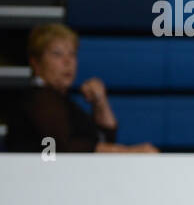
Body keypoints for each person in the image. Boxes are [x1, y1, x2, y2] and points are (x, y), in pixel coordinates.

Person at [5, 23, 158, 153]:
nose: (67, 61)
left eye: (72, 54)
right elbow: (64, 146)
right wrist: (127, 153)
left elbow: (106, 137)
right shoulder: (39, 98)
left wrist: (100, 102)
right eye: (57, 54)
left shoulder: (63, 101)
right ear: (36, 62)